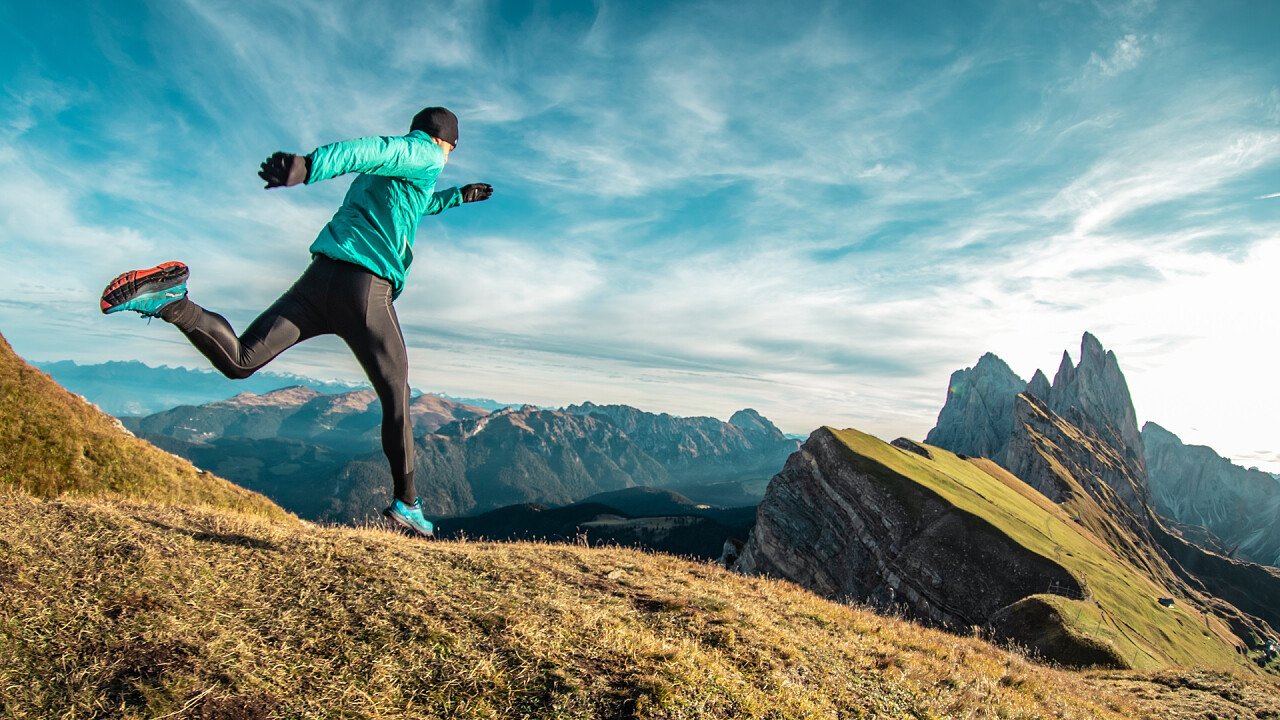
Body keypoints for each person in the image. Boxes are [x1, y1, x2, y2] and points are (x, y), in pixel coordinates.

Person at [99, 106, 492, 538]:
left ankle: (173, 302)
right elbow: (370, 148)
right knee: (397, 393)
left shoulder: (392, 179)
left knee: (241, 360)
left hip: (320, 281)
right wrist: (308, 167)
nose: (447, 158)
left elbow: (416, 203)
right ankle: (408, 503)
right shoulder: (425, 153)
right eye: (451, 150)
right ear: (445, 141)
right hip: (364, 288)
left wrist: (458, 197)